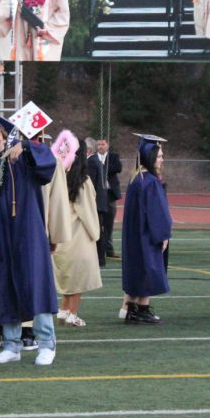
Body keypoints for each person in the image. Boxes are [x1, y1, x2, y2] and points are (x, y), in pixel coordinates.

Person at [0, 110, 60, 366]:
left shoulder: (18, 160)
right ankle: (12, 345)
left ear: (4, 138)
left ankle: (47, 344)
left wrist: (25, 145)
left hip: (26, 233)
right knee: (3, 288)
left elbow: (47, 165)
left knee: (34, 285)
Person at [51, 131, 102, 327]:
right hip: (79, 236)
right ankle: (72, 313)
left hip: (61, 234)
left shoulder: (59, 177)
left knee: (67, 276)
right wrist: (96, 233)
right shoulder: (82, 182)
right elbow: (88, 211)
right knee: (78, 277)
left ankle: (63, 310)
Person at [121, 134, 172, 324]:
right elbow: (157, 212)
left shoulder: (136, 179)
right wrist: (163, 234)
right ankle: (141, 309)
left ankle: (132, 310)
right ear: (150, 157)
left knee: (138, 270)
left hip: (135, 234)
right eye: (159, 156)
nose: (162, 159)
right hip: (147, 235)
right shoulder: (150, 181)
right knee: (147, 270)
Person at [95, 137, 123, 259]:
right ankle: (97, 250)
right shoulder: (93, 158)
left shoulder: (113, 157)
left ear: (107, 145)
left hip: (109, 194)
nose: (100, 146)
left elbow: (118, 168)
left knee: (109, 223)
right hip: (97, 195)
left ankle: (109, 250)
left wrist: (102, 167)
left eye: (103, 144)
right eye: (99, 144)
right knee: (97, 223)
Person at [85, 137, 109, 267]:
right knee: (99, 229)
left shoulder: (91, 162)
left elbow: (91, 184)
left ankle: (100, 258)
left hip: (95, 202)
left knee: (97, 230)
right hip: (99, 202)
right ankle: (100, 257)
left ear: (88, 150)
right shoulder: (96, 161)